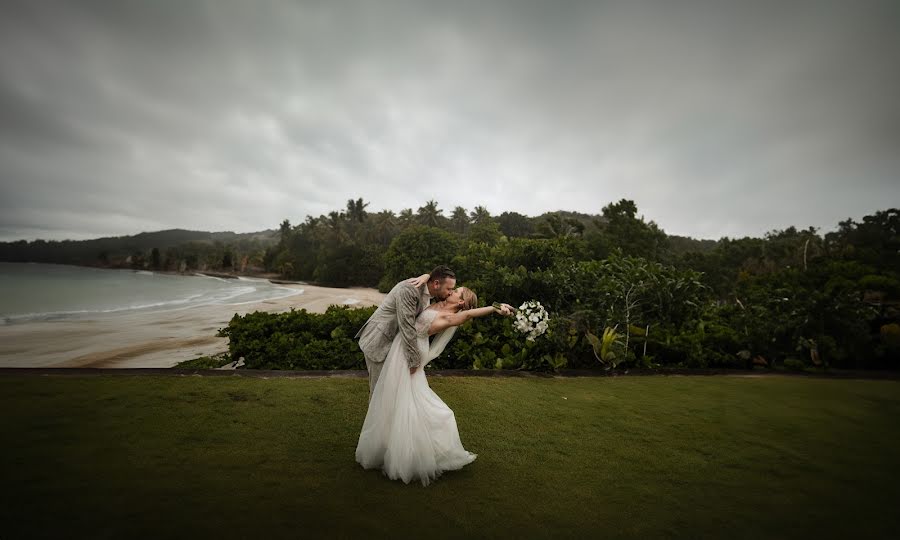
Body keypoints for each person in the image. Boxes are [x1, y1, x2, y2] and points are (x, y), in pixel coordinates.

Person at [355, 286, 513, 486]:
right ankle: (391, 444)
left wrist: (494, 308)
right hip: (401, 349)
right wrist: (425, 278)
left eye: (457, 291)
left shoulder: (450, 317)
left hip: (409, 355)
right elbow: (430, 288)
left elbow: (469, 314)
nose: (453, 290)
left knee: (409, 397)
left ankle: (409, 452)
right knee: (394, 395)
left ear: (461, 302)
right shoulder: (439, 304)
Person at [355, 265, 457, 401]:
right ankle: (376, 422)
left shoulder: (428, 288)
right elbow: (407, 326)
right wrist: (414, 361)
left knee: (392, 389)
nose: (451, 292)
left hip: (395, 345)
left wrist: (427, 275)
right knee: (379, 391)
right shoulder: (409, 290)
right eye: (449, 289)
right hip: (379, 340)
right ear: (436, 284)